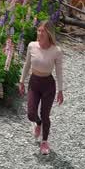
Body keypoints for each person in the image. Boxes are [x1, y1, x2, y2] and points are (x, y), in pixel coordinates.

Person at [18, 21, 65, 155]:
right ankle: (38, 123)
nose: (39, 33)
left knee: (45, 115)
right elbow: (27, 65)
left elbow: (59, 72)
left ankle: (44, 142)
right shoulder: (32, 46)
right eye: (38, 31)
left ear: (49, 33)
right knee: (31, 114)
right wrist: (21, 82)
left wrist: (61, 91)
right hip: (34, 83)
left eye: (42, 31)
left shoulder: (56, 51)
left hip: (48, 85)